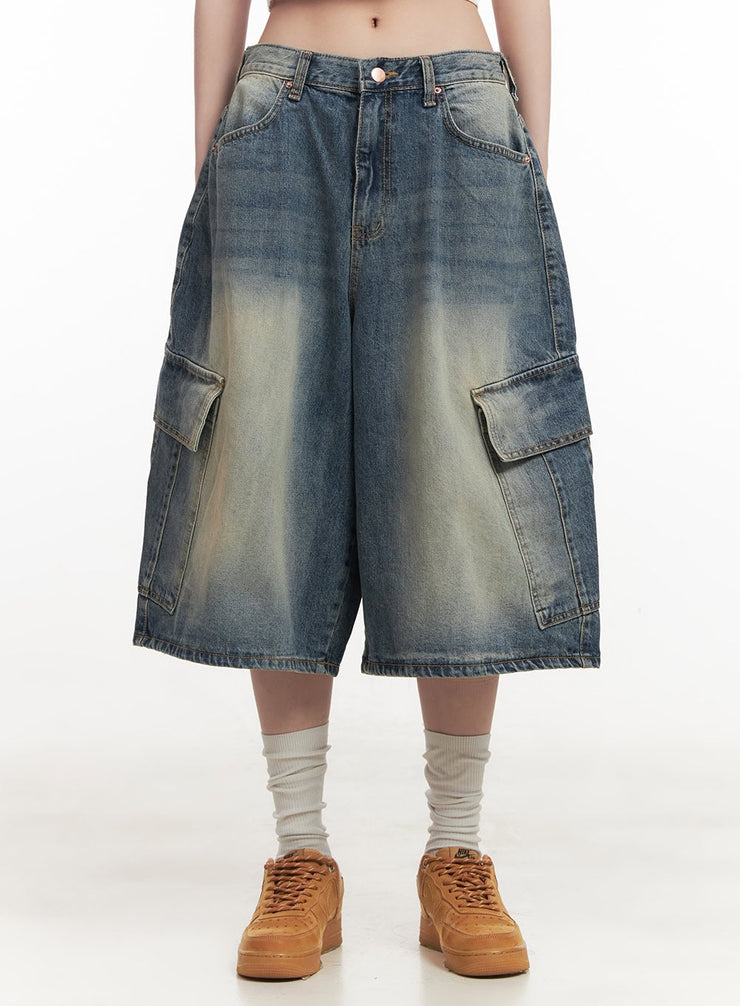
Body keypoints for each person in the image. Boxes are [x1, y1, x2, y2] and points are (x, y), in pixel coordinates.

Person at [132, 0, 601, 981]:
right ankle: (300, 855)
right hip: (281, 102)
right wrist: (212, 152)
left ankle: (455, 854)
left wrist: (527, 150)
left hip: (461, 105)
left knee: (459, 473)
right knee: (269, 461)